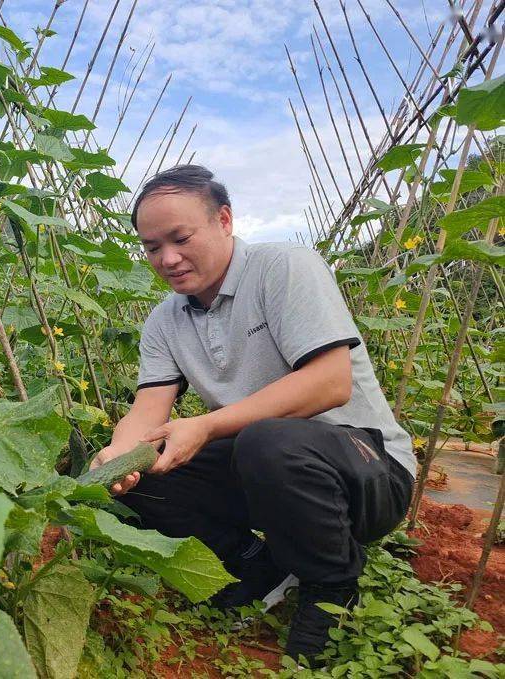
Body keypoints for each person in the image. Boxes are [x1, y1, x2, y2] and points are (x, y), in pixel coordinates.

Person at [90, 164, 415, 664]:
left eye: (180, 238)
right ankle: (257, 567)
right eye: (152, 247)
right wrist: (119, 454)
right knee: (145, 475)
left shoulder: (284, 267)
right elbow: (148, 408)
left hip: (368, 473)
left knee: (266, 440)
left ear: (224, 220)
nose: (168, 259)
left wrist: (207, 425)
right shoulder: (164, 320)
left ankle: (331, 584)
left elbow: (331, 382)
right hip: (266, 470)